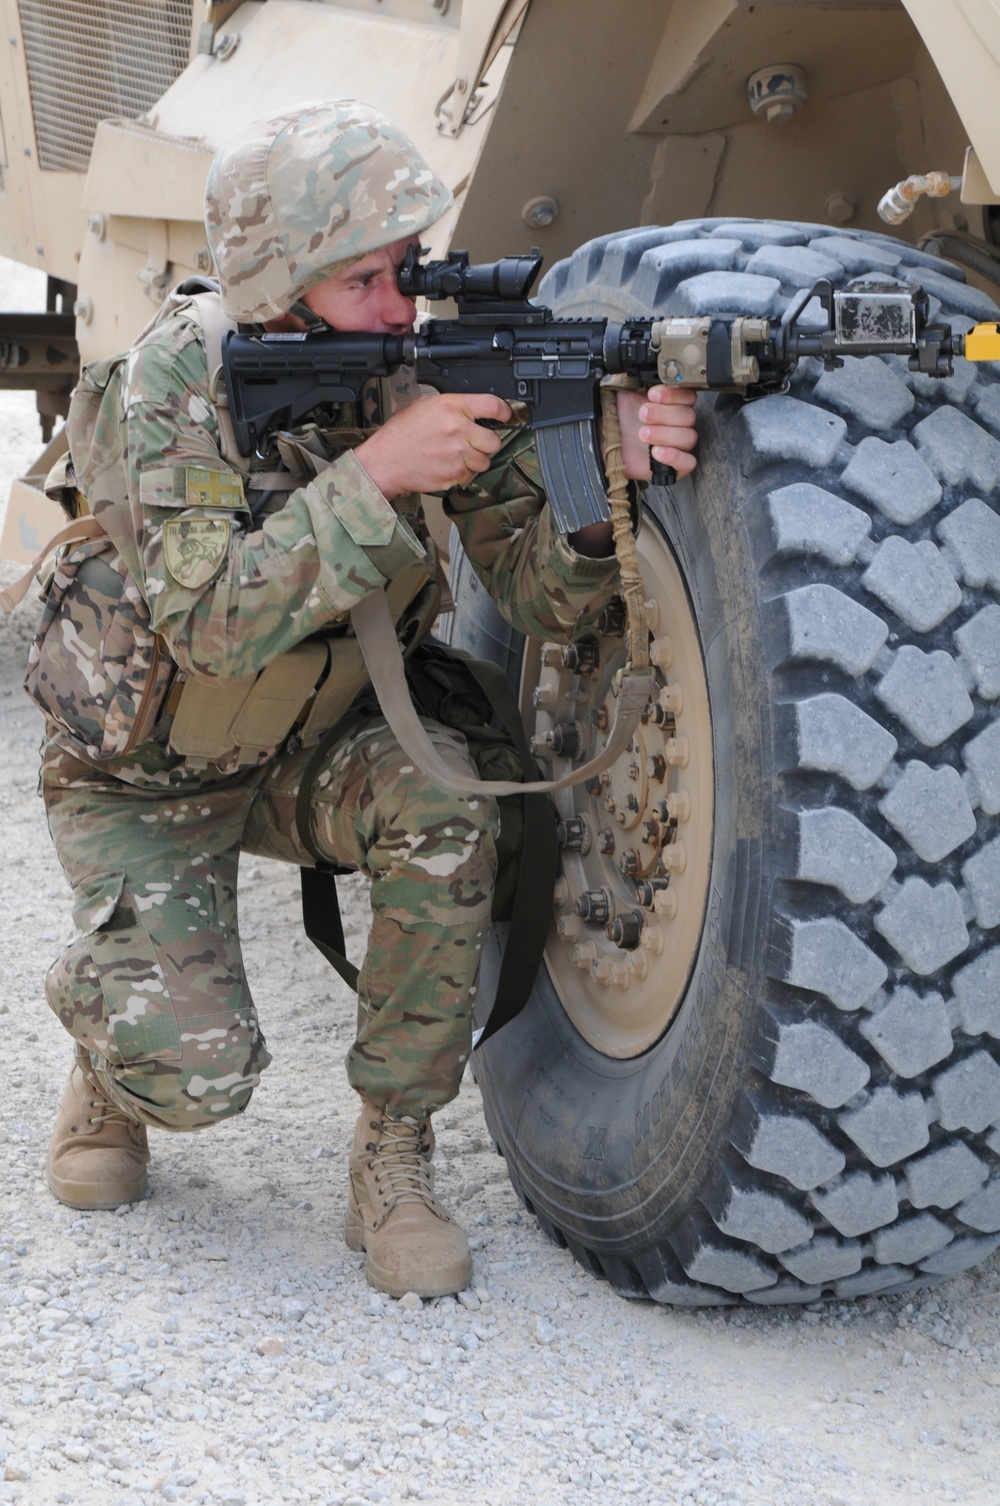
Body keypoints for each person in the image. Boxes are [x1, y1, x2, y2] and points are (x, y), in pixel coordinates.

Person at [35, 100, 698, 1299]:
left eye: (409, 272)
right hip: (148, 762)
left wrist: (601, 478)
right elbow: (210, 626)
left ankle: (393, 1148)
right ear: (282, 286)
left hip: (311, 748)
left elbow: (546, 601)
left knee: (449, 818)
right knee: (199, 1080)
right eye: (369, 281)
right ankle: (112, 1060)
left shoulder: (414, 368)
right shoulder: (169, 384)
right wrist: (378, 475)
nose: (404, 307)